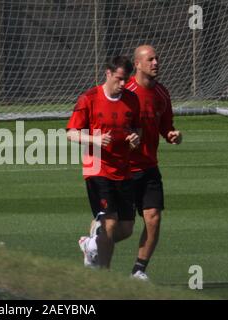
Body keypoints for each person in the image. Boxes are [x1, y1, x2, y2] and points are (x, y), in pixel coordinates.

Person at [67, 56, 141, 269]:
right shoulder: (89, 98)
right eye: (118, 79)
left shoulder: (131, 100)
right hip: (97, 168)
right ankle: (104, 274)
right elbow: (71, 134)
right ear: (107, 73)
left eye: (125, 80)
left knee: (126, 228)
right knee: (109, 224)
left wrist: (136, 138)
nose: (122, 84)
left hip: (123, 169)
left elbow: (137, 130)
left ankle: (91, 244)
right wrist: (95, 139)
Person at [124, 45, 182, 280]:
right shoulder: (126, 92)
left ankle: (138, 271)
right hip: (124, 170)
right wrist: (125, 139)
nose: (156, 62)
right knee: (120, 228)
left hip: (149, 167)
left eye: (157, 58)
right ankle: (92, 244)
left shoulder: (162, 94)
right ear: (137, 64)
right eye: (150, 59)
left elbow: (166, 127)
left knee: (153, 218)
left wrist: (172, 135)